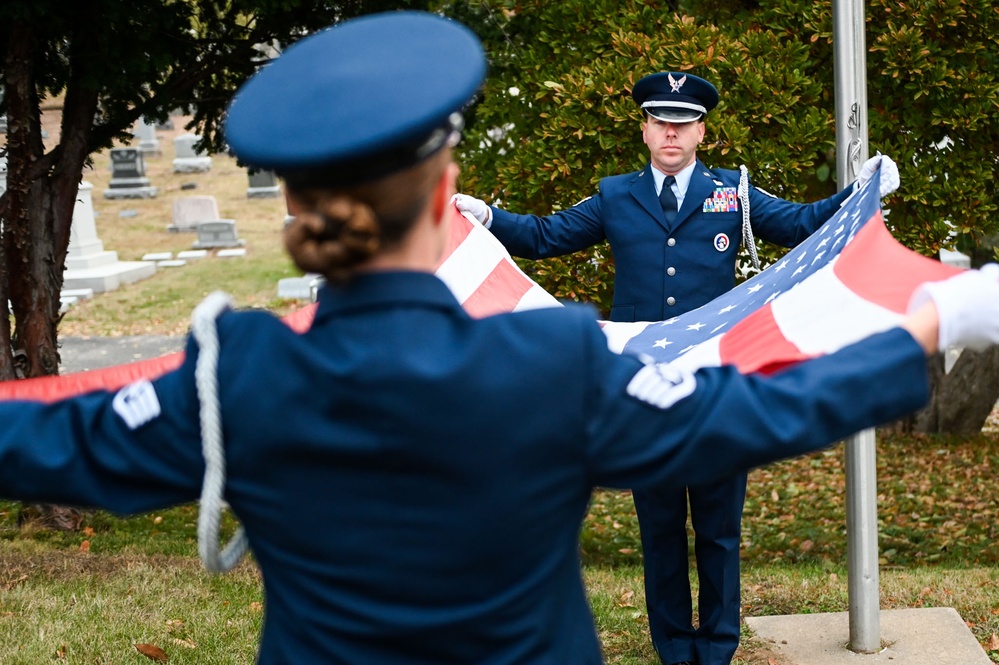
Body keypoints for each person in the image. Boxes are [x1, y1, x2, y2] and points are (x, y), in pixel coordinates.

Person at [0, 11, 997, 665]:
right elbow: (767, 407)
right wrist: (932, 320)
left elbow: (46, 437)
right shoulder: (554, 363)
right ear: (446, 193)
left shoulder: (236, 377)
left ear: (296, 207)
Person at [453, 71, 901, 665]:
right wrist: (487, 217)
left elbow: (798, 224)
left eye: (683, 122)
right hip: (644, 385)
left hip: (716, 380)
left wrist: (860, 194)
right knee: (660, 527)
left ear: (702, 132)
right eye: (660, 121)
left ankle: (716, 648)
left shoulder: (731, 191)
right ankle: (671, 646)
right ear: (644, 130)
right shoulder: (615, 195)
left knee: (718, 529)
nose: (671, 131)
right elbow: (545, 236)